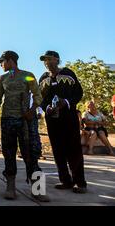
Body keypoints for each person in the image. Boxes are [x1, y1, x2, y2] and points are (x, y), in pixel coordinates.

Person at [0, 51, 48, 201]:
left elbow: (37, 94)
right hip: (8, 119)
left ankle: (38, 189)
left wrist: (32, 110)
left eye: (2, 62)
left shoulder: (28, 75)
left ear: (10, 60)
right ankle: (10, 187)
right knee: (9, 153)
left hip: (26, 120)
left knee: (32, 153)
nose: (1, 65)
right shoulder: (2, 78)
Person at [39, 51, 87, 193]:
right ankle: (66, 181)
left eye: (49, 59)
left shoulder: (68, 73)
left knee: (74, 149)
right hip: (52, 119)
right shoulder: (43, 78)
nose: (47, 62)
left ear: (57, 60)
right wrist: (47, 108)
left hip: (69, 117)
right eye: (45, 60)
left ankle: (80, 183)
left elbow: (78, 93)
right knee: (57, 150)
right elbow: (39, 97)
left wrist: (65, 102)